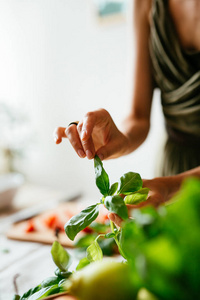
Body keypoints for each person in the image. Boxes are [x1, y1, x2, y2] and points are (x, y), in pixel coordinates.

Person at [54, 0, 200, 218]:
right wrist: (118, 138)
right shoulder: (145, 3)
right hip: (172, 165)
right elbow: (139, 116)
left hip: (172, 184)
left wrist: (169, 187)